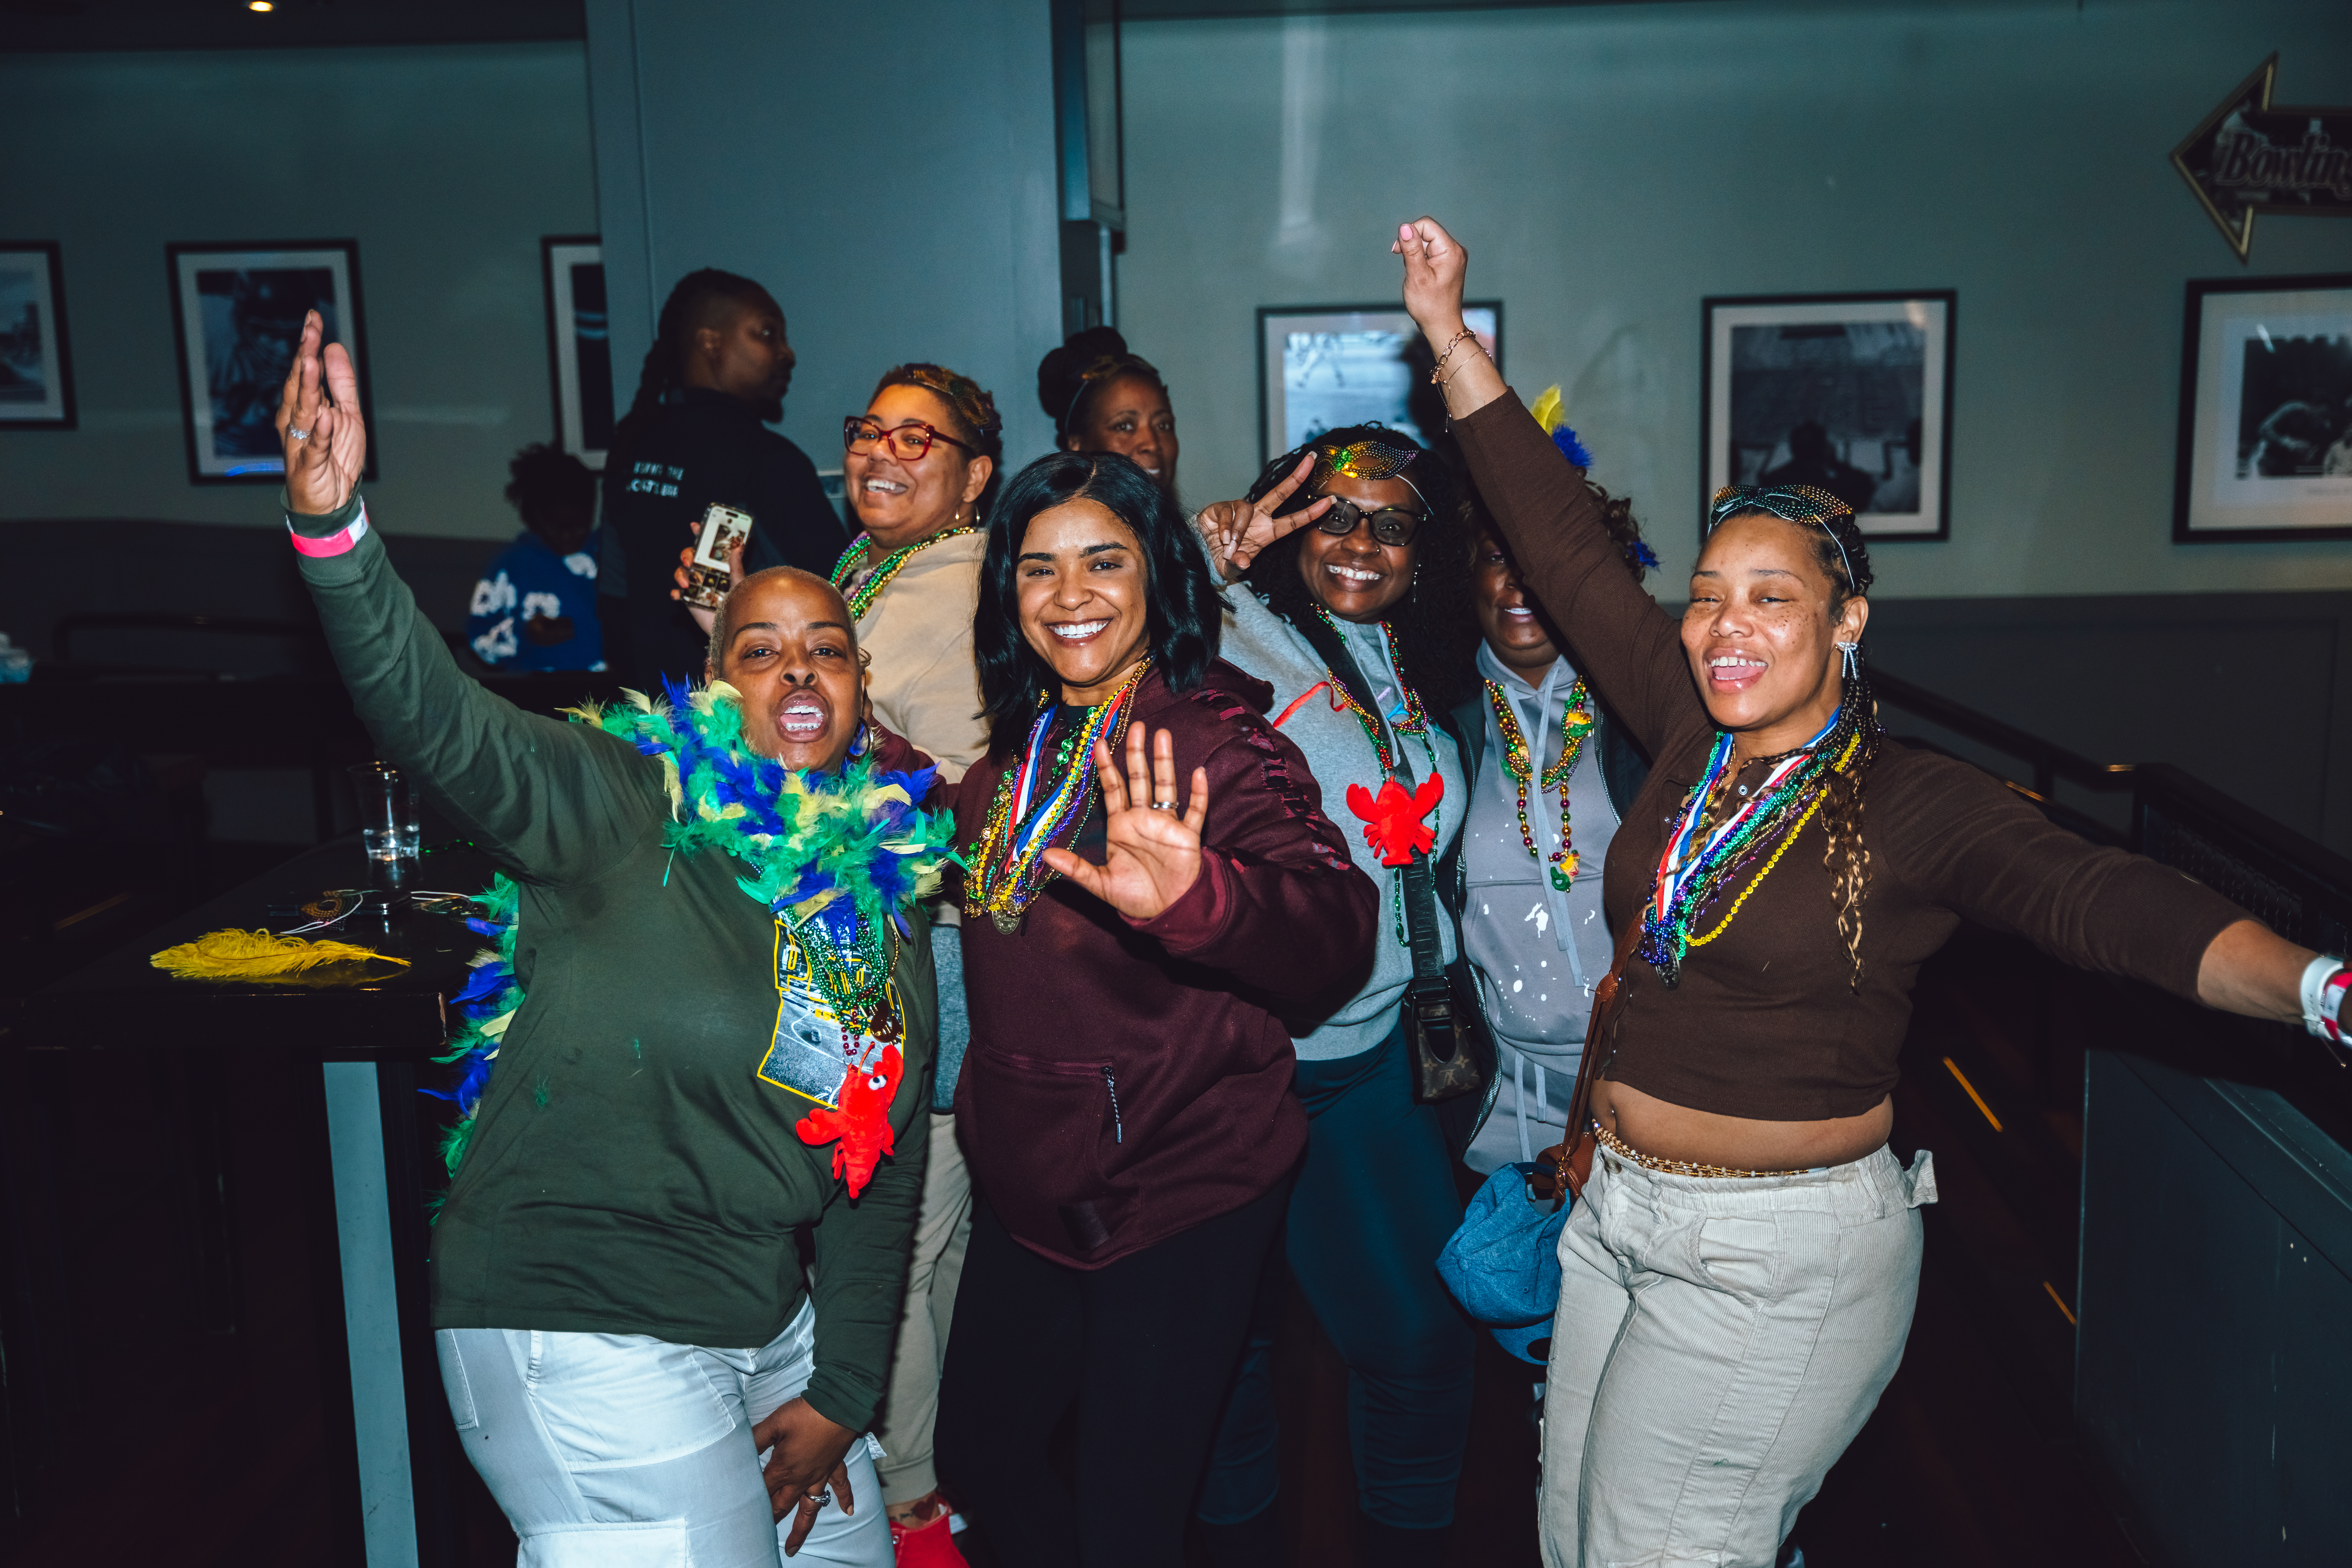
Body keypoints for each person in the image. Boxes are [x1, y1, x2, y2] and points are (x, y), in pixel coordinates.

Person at [1381, 214, 2350, 1568]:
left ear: (1846, 623)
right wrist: (1447, 337)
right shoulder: (1684, 732)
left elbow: (2117, 903)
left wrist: (2323, 985)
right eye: (1711, 593)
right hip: (1613, 1216)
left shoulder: (1913, 800)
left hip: (1774, 1258)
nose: (1726, 624)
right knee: (1573, 1541)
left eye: (1771, 598)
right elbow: (1565, 550)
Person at [273, 310, 946, 1567]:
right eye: (762, 649)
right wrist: (336, 533)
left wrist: (844, 1387)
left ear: (859, 688)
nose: (799, 669)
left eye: (828, 649)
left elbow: (883, 1162)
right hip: (582, 1313)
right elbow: (443, 725)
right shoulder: (616, 802)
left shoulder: (882, 895)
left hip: (766, 1317)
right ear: (712, 685)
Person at [932, 451, 1378, 1568]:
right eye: (1035, 569)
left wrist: (1203, 900)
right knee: (980, 1466)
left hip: (1177, 1191)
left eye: (1102, 561)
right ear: (1006, 596)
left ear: (1155, 580)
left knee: (1126, 1522)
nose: (1067, 593)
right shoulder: (1005, 764)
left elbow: (1335, 929)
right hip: (1029, 1191)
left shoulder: (1213, 743)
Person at [682, 361, 1002, 1565]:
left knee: (895, 1237)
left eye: (920, 439)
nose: (882, 450)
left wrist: (779, 678)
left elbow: (903, 786)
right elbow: (785, 737)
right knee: (922, 1236)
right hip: (860, 938)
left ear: (976, 475)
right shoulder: (871, 568)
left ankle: (912, 1509)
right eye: (870, 428)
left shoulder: (959, 588)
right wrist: (738, 641)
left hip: (921, 951)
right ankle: (935, 1485)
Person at [1190, 427, 1481, 1565]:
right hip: (1252, 1064)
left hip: (1373, 1059)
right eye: (1333, 517)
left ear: (1423, 550)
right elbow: (1126, 619)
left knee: (1415, 1343)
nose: (1359, 542)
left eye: (1391, 523)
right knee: (1226, 1353)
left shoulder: (1407, 657)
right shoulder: (1236, 632)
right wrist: (1210, 550)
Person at [1446, 449, 1653, 1177]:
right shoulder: (1435, 723)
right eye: (1500, 556)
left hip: (1645, 1087)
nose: (1521, 580)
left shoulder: (1648, 721)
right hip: (1498, 1093)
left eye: (1547, 559)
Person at [597, 268, 847, 690]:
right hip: (751, 736)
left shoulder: (631, 451)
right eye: (768, 334)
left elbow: (613, 605)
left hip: (653, 729)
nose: (787, 354)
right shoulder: (766, 460)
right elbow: (844, 607)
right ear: (711, 343)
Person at [467, 442, 605, 671]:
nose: (568, 536)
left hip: (604, 694)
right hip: (536, 697)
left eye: (579, 527)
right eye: (556, 527)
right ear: (535, 517)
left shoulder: (605, 558)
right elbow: (479, 637)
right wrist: (523, 634)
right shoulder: (512, 566)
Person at [1036, 326, 1180, 494]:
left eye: (1163, 426)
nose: (1153, 444)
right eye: (1124, 426)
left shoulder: (1203, 520)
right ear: (1078, 445)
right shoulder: (1057, 520)